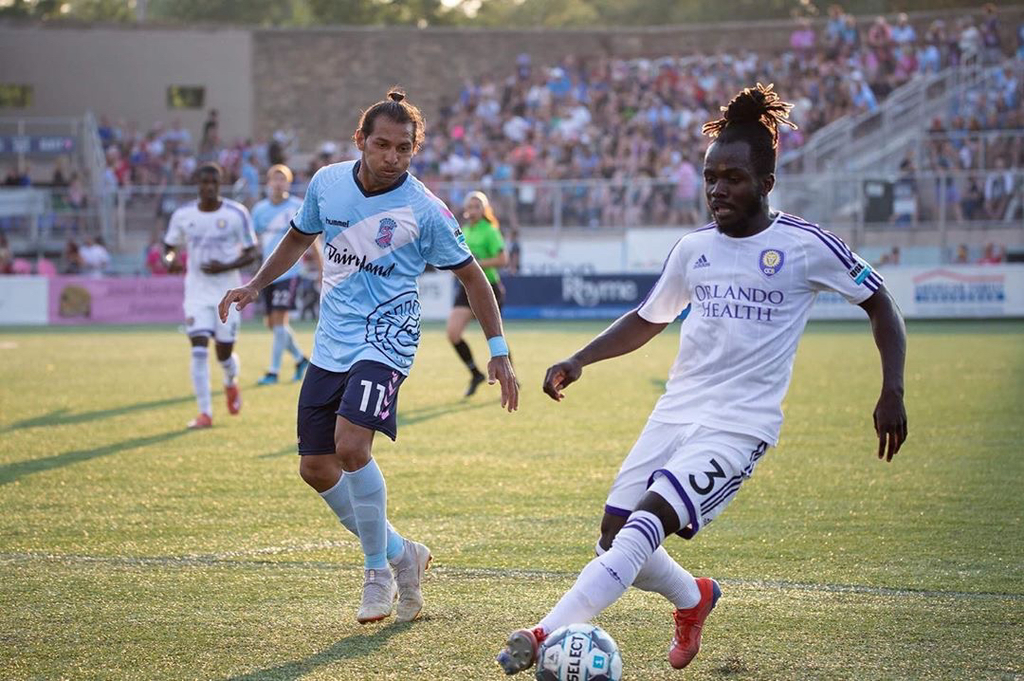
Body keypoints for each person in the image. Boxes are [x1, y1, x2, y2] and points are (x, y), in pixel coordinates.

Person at [496, 84, 908, 675]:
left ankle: (541, 634)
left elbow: (881, 303)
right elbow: (648, 318)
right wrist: (580, 359)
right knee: (613, 535)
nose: (718, 189)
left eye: (733, 178)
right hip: (676, 412)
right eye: (711, 178)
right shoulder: (693, 249)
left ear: (766, 183)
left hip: (740, 425)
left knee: (645, 524)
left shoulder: (805, 245)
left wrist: (892, 389)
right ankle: (693, 598)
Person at [218, 90, 519, 625]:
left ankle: (377, 572)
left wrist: (499, 352)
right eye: (382, 145)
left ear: (413, 150)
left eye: (403, 148)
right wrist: (255, 284)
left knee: (352, 447)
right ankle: (405, 554)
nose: (392, 157)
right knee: (316, 468)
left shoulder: (425, 210)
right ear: (360, 140)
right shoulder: (327, 184)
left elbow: (473, 277)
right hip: (332, 338)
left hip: (388, 337)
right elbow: (297, 238)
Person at [165, 162, 258, 430]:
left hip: (228, 294)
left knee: (224, 355)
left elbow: (252, 252)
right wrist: (169, 260)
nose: (208, 187)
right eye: (203, 182)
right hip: (196, 293)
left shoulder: (236, 213)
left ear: (220, 185)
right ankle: (204, 413)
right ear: (197, 184)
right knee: (198, 351)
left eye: (213, 182)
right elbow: (168, 247)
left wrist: (225, 266)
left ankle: (230, 380)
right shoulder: (183, 215)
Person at [251, 164, 316, 385]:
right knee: (272, 323)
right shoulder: (259, 210)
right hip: (267, 273)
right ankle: (300, 359)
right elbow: (253, 241)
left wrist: (320, 268)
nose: (278, 184)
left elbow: (313, 239)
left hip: (289, 272)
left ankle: (273, 371)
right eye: (275, 179)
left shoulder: (298, 206)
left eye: (283, 179)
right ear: (268, 183)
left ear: (288, 183)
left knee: (279, 321)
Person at [446, 190, 509, 397]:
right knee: (453, 333)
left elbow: (503, 260)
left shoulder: (490, 231)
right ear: (465, 210)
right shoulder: (463, 230)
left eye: (477, 206)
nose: (473, 210)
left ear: (484, 210)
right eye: (470, 206)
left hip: (488, 287)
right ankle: (475, 374)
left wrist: (476, 265)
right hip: (465, 287)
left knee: (494, 335)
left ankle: (510, 376)